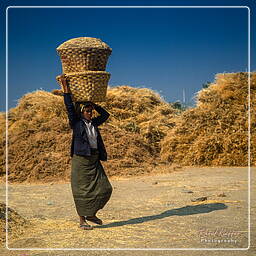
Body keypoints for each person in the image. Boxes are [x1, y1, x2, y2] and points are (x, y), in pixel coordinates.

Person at [60, 74, 113, 230]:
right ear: (81, 112)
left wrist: (94, 104)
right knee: (81, 190)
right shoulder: (76, 123)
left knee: (105, 188)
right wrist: (66, 89)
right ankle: (82, 220)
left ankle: (91, 214)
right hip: (81, 160)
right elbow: (69, 107)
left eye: (91, 111)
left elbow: (105, 115)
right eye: (87, 111)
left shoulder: (94, 123)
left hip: (93, 159)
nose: (90, 113)